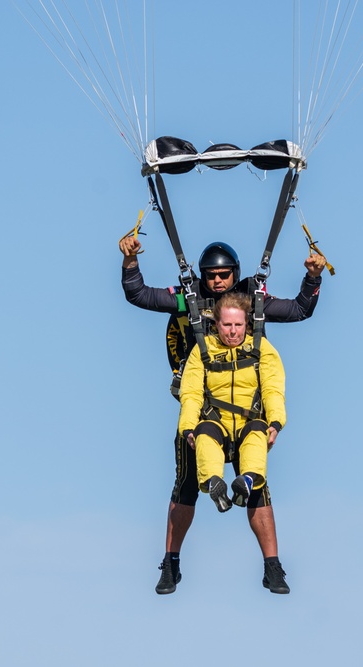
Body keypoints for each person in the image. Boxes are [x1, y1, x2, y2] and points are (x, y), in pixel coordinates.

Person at [120, 234, 327, 594]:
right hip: (202, 413)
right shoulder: (190, 300)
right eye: (211, 275)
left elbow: (298, 310)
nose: (218, 280)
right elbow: (140, 295)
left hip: (246, 414)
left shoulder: (250, 303)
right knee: (185, 486)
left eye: (225, 274)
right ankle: (170, 564)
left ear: (235, 274)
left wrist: (313, 277)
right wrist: (130, 262)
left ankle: (273, 568)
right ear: (202, 276)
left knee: (256, 484)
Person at [178, 293, 290, 593]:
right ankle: (215, 484)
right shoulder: (202, 350)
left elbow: (273, 388)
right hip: (216, 421)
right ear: (216, 324)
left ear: (248, 325)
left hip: (246, 422)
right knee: (204, 435)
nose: (232, 332)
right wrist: (187, 428)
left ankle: (247, 480)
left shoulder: (261, 350)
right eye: (226, 325)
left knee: (256, 433)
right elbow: (190, 393)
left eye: (238, 325)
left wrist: (276, 422)